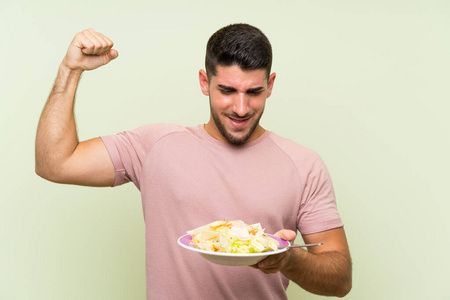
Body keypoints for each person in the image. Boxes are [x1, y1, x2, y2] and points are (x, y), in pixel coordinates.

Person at [35, 24, 352, 299]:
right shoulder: (156, 145)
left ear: (270, 86)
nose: (241, 108)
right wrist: (69, 71)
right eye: (226, 90)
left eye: (253, 92)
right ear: (204, 82)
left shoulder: (303, 164)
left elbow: (340, 280)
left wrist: (288, 260)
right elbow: (55, 163)